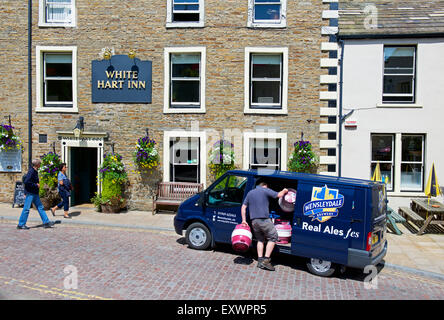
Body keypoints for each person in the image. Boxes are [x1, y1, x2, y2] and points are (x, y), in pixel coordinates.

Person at [241, 180, 288, 271]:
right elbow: (279, 195)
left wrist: (243, 220)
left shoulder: (250, 193)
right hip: (264, 220)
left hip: (254, 221)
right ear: (264, 186)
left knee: (260, 239)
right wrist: (285, 190)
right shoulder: (265, 190)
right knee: (273, 237)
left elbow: (243, 207)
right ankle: (266, 261)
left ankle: (260, 260)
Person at [17, 159, 56, 229]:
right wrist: (36, 185)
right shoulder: (31, 171)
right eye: (39, 164)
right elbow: (26, 181)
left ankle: (46, 222)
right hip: (30, 193)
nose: (40, 165)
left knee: (40, 207)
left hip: (35, 193)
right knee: (26, 209)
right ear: (37, 165)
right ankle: (21, 224)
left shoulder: (35, 171)